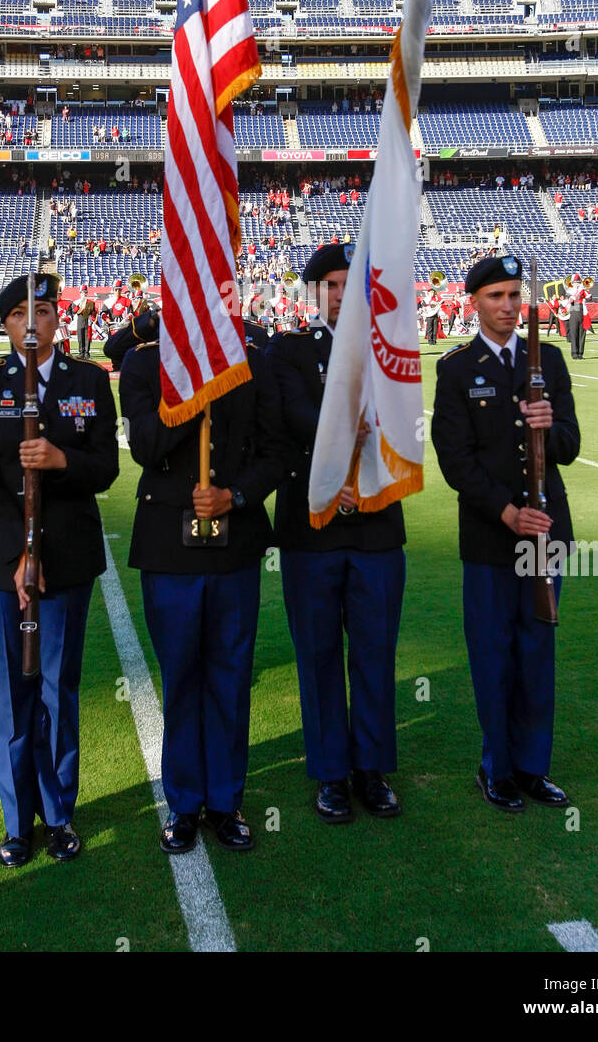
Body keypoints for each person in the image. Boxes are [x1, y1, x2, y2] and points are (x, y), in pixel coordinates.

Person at [0, 273, 119, 867]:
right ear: (5, 323)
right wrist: (19, 552)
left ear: (58, 320)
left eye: (43, 311)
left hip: (67, 561)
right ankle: (17, 821)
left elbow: (104, 469)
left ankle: (60, 814)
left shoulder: (90, 381)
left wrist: (60, 458)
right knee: (7, 697)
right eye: (20, 312)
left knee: (55, 691)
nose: (32, 322)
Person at [120, 320, 285, 855]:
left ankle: (225, 802)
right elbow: (146, 445)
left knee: (231, 678)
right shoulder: (145, 363)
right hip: (169, 549)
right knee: (183, 677)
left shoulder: (252, 359)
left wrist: (234, 496)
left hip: (234, 545)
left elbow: (274, 454)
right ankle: (184, 803)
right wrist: (195, 388)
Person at [431, 255, 580, 813]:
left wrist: (551, 426)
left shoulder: (550, 362)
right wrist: (505, 513)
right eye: (496, 296)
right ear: (474, 302)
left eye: (515, 295)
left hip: (545, 532)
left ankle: (532, 767)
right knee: (493, 655)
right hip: (494, 537)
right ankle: (495, 767)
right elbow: (456, 462)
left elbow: (570, 443)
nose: (509, 307)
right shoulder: (456, 369)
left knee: (537, 652)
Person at [266, 244, 407, 825]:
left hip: (377, 528)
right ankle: (330, 772)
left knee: (374, 655)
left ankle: (370, 770)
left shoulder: (390, 353)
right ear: (314, 293)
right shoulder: (289, 350)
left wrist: (368, 480)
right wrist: (332, 481)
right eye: (331, 284)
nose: (343, 294)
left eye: (353, 284)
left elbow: (400, 427)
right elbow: (290, 425)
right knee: (319, 655)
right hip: (312, 529)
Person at [74, 286, 96, 358]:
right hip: (80, 320)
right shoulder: (76, 302)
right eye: (83, 292)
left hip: (87, 320)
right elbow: (74, 311)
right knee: (80, 337)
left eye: (86, 292)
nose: (84, 294)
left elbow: (92, 313)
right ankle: (81, 352)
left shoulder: (91, 302)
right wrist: (79, 305)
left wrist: (93, 318)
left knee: (87, 337)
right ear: (80, 293)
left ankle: (87, 353)